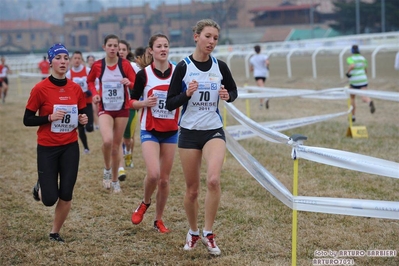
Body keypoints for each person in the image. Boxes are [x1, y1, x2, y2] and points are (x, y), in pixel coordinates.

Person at [166, 19, 238, 256]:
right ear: (196, 37)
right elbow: (170, 103)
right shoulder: (184, 67)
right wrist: (186, 94)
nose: (212, 42)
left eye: (215, 38)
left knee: (214, 180)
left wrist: (227, 95)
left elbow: (233, 92)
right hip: (188, 133)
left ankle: (208, 232)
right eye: (208, 36)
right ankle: (193, 231)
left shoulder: (221, 66)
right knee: (192, 190)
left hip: (213, 130)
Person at [23, 43, 88, 243]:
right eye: (58, 58)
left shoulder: (75, 88)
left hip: (69, 145)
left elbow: (81, 114)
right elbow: (27, 119)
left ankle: (54, 232)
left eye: (65, 58)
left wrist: (83, 120)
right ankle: (40, 186)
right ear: (50, 62)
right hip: (47, 147)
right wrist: (49, 118)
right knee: (49, 199)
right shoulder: (40, 89)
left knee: (66, 193)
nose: (63, 62)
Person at [130, 34, 179, 234]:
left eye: (166, 46)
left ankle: (158, 220)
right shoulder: (144, 75)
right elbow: (132, 103)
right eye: (159, 46)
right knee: (153, 174)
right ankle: (144, 203)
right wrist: (145, 103)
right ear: (151, 50)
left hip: (170, 131)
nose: (163, 49)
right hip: (149, 129)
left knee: (164, 180)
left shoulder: (178, 72)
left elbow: (185, 96)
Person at [87, 34, 136, 193]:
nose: (113, 48)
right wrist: (95, 92)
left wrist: (129, 83)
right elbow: (90, 80)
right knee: (107, 141)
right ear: (104, 47)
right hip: (105, 108)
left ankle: (115, 180)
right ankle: (107, 169)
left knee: (116, 146)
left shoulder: (125, 65)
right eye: (110, 45)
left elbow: (136, 83)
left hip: (122, 109)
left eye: (116, 46)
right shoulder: (98, 65)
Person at [66, 51, 94, 154]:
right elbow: (67, 89)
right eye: (75, 58)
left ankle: (90, 127)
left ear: (82, 60)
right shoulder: (69, 74)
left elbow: (94, 83)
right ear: (71, 60)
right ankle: (86, 148)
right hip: (76, 105)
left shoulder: (87, 70)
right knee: (81, 128)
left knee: (90, 127)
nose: (77, 60)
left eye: (79, 58)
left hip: (88, 102)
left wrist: (90, 92)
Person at [118, 40, 138, 171]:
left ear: (127, 51)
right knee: (116, 137)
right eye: (118, 49)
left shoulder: (134, 67)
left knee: (128, 139)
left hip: (130, 106)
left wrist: (129, 83)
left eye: (123, 49)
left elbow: (138, 86)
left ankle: (129, 153)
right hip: (114, 107)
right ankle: (119, 165)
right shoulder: (108, 67)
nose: (120, 52)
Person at [346, 45, 375, 122]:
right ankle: (369, 102)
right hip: (363, 80)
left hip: (354, 81)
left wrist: (348, 73)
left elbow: (352, 66)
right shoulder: (363, 59)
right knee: (364, 97)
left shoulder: (350, 59)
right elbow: (365, 70)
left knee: (352, 98)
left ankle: (353, 116)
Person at [249, 44, 270, 109]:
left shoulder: (252, 58)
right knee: (261, 88)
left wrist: (253, 69)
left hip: (257, 74)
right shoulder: (264, 56)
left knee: (261, 88)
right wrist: (266, 67)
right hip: (264, 74)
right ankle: (261, 104)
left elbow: (251, 69)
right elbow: (267, 62)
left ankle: (266, 97)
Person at [86, 55, 100, 130]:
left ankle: (99, 123)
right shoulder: (87, 70)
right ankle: (96, 124)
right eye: (89, 60)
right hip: (90, 92)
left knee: (98, 109)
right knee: (93, 109)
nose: (91, 62)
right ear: (87, 62)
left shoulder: (97, 69)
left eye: (92, 60)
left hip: (98, 91)